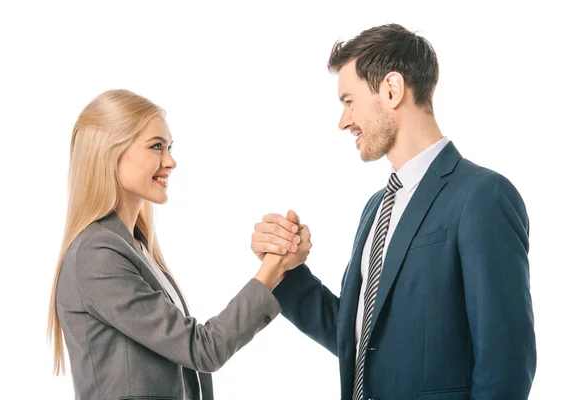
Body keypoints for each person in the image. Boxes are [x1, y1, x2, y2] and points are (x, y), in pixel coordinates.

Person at [251, 24, 536, 399]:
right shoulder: (376, 208)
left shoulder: (482, 196)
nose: (343, 121)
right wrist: (284, 270)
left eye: (349, 101)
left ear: (392, 89)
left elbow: (506, 363)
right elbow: (362, 339)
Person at [47, 89, 311, 400]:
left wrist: (278, 268)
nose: (170, 161)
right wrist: (272, 267)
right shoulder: (97, 256)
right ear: (110, 152)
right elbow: (202, 349)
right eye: (156, 146)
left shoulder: (134, 247)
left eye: (169, 147)